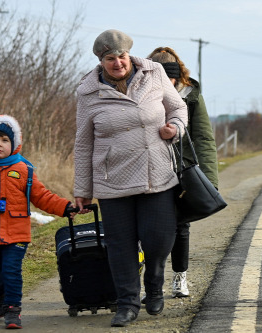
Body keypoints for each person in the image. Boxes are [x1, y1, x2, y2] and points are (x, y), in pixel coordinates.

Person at [73, 29, 187, 327]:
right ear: (101, 61)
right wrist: (83, 189)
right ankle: (127, 303)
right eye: (110, 58)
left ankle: (154, 282)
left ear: (129, 55)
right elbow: (83, 143)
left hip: (156, 172)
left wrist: (174, 127)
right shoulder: (88, 91)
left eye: (121, 56)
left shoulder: (155, 73)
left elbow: (178, 107)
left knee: (158, 239)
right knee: (121, 245)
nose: (118, 63)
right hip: (113, 180)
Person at [0, 114, 75, 329]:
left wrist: (64, 207)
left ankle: (13, 310)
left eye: (5, 140)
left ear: (14, 144)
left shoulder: (24, 170)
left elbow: (42, 196)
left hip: (17, 231)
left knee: (11, 270)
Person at [147, 46, 218, 299]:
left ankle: (180, 277)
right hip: (150, 169)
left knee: (181, 225)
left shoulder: (191, 96)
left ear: (179, 78)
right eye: (163, 80)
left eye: (172, 80)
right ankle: (151, 283)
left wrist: (209, 179)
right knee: (150, 228)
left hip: (183, 169)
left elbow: (203, 137)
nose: (168, 85)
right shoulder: (141, 93)